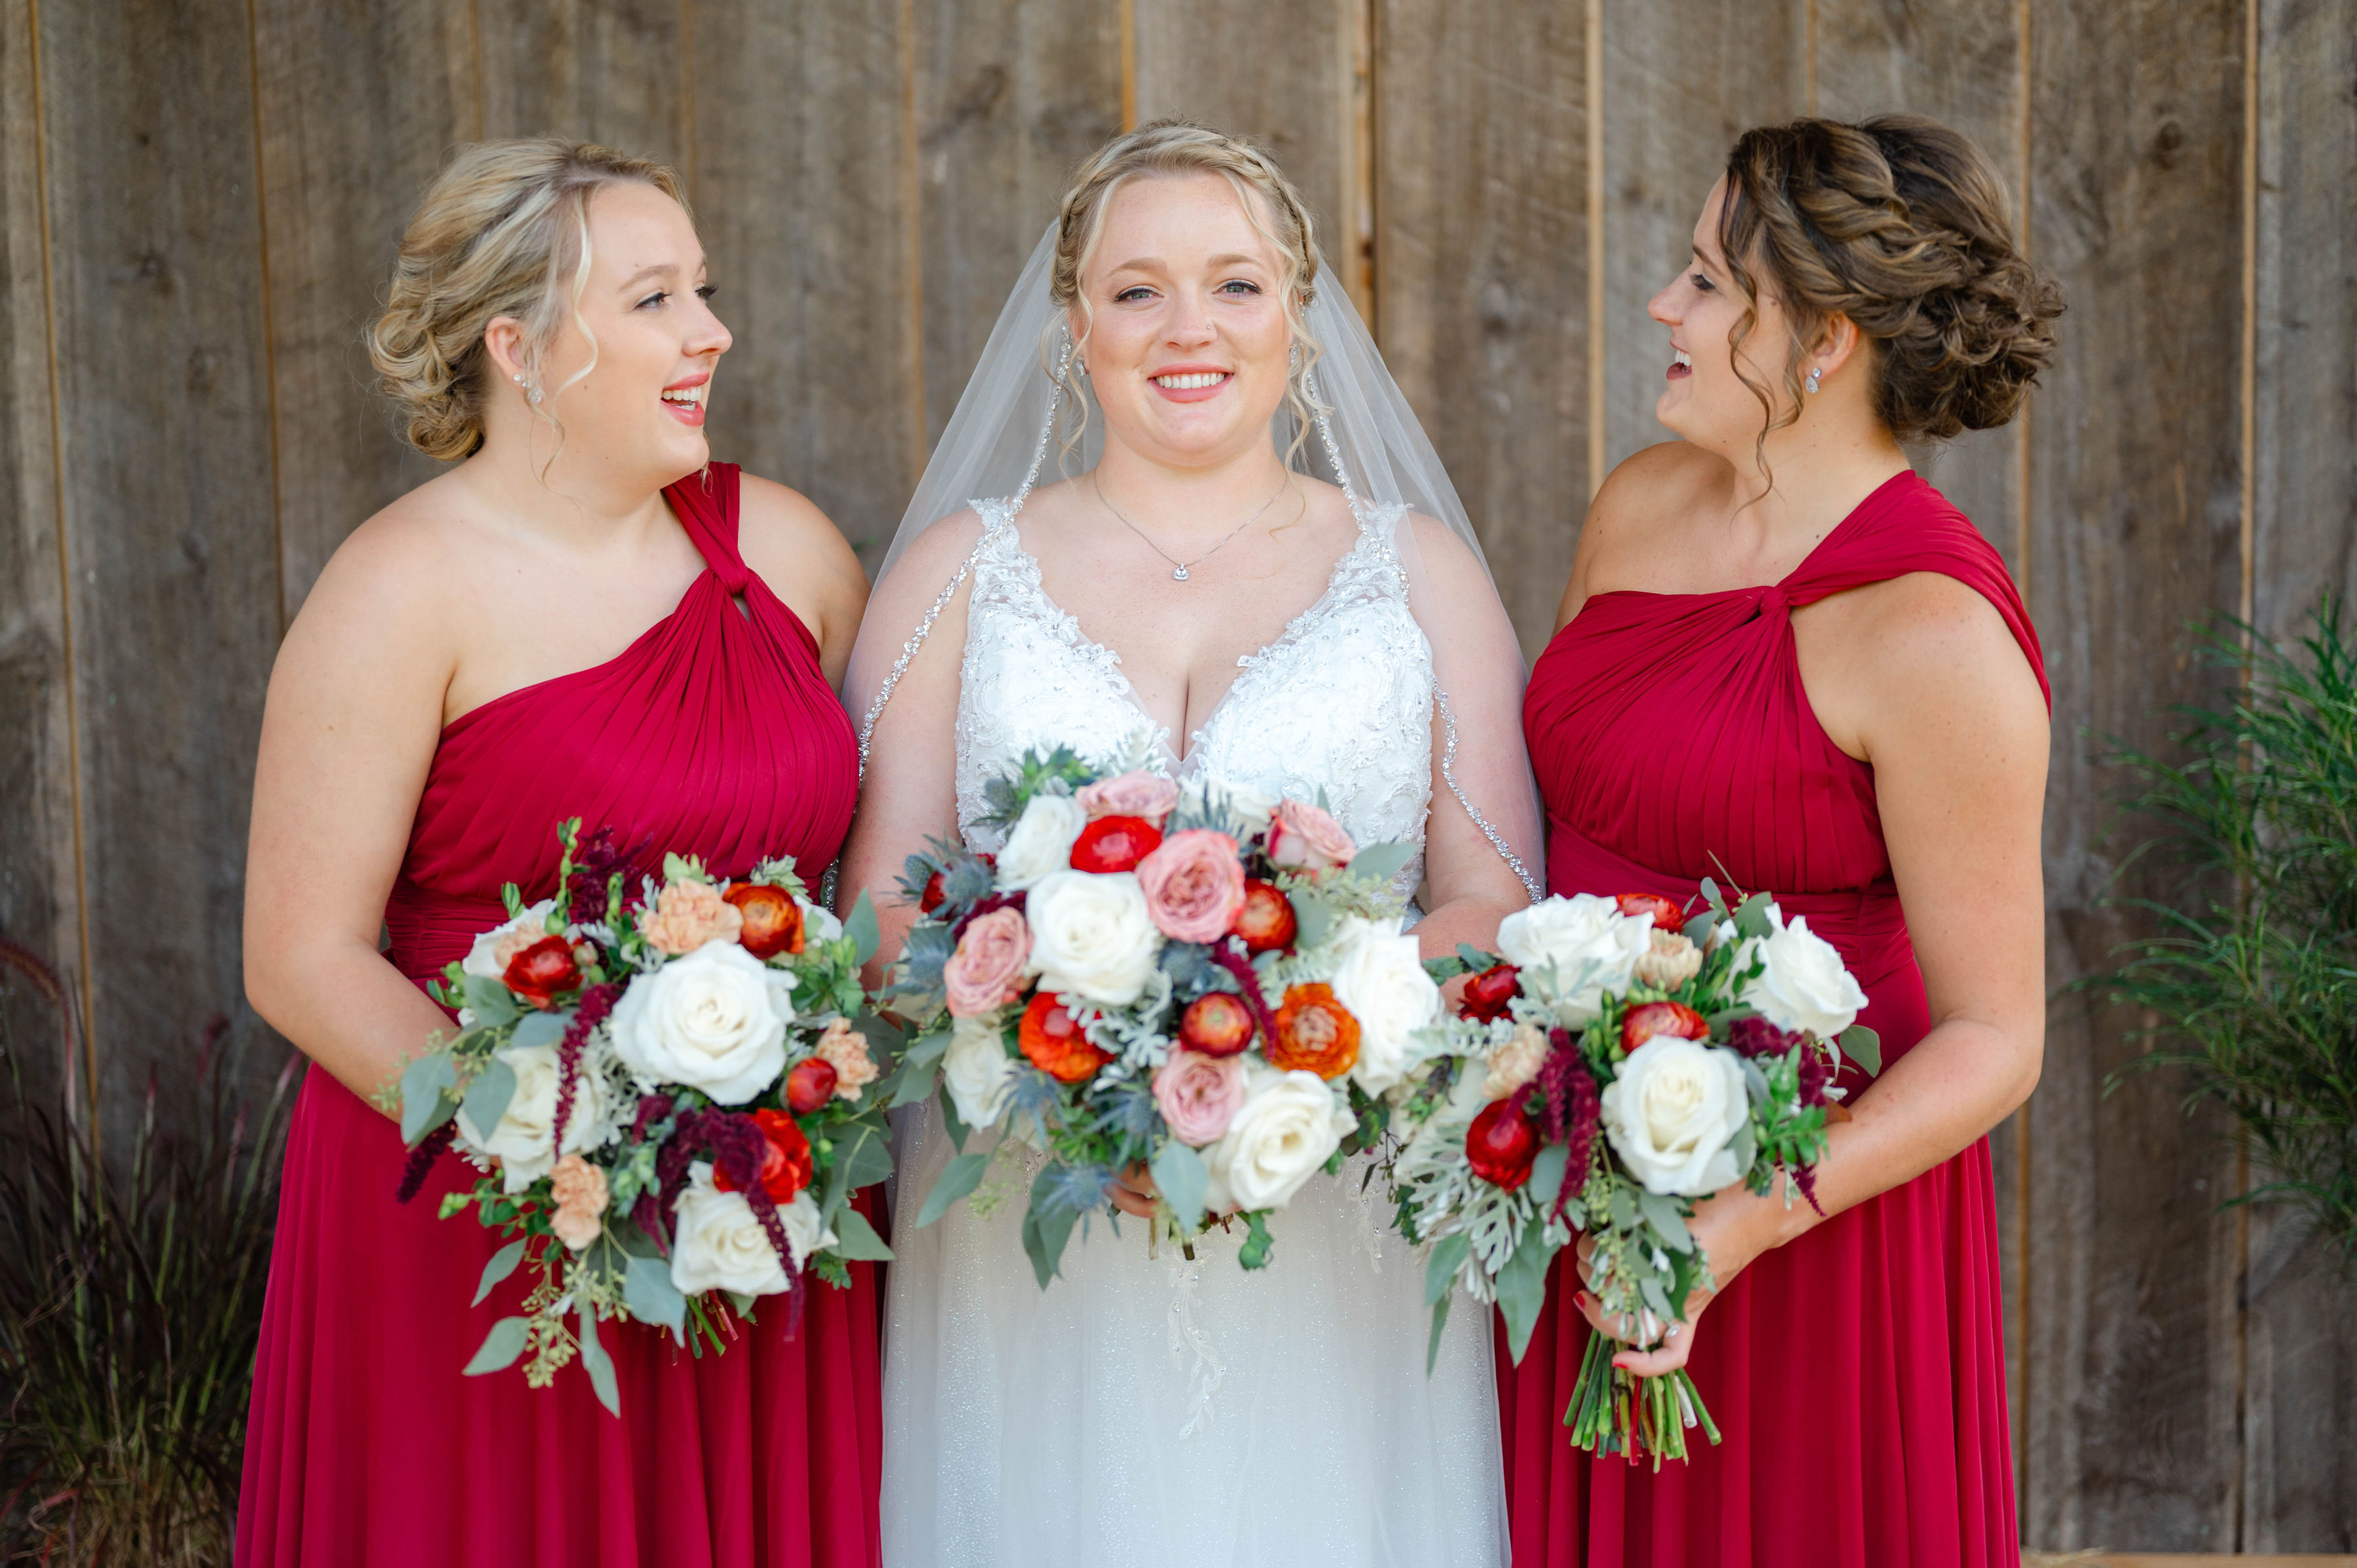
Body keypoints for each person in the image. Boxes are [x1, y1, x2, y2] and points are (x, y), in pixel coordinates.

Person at [836, 120, 1539, 1566]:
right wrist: (1076, 1071)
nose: (1188, 329)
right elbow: (876, 914)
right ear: (1073, 325)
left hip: (1333, 1199)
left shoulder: (1415, 574)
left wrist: (1293, 1044)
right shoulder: (959, 572)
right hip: (1031, 1221)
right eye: (1137, 289)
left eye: (1234, 284)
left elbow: (1493, 902)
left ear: (1302, 312)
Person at [238, 139, 879, 1567]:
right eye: (653, 299)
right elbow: (300, 955)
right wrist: (566, 1156)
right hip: (483, 1216)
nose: (710, 332)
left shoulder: (782, 551)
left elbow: (889, 853)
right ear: (518, 348)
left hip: (755, 1196)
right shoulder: (401, 590)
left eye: (701, 289)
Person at [1503, 115, 2062, 1567]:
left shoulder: (1937, 636)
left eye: (1706, 283)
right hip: (1580, 1169)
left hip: (1809, 1222)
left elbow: (2000, 1034)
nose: (1662, 309)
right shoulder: (1638, 506)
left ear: (1822, 340)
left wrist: (1747, 1220)